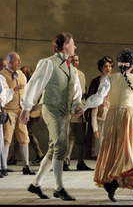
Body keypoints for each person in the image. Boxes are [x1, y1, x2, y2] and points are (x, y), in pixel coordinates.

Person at [80, 49, 133, 201]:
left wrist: (84, 107)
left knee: (115, 149)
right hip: (128, 115)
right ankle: (115, 182)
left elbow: (99, 98)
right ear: (132, 65)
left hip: (112, 115)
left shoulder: (109, 79)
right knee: (130, 151)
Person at [21, 33, 82, 201]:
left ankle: (35, 184)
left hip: (64, 110)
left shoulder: (72, 68)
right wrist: (26, 107)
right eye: (73, 44)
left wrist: (77, 106)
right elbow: (34, 83)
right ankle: (59, 188)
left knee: (54, 147)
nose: (75, 47)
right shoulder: (48, 62)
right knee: (61, 146)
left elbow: (76, 92)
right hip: (51, 108)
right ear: (65, 46)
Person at [0, 52, 35, 175]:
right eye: (16, 60)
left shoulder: (21, 74)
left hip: (20, 111)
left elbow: (26, 93)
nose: (19, 62)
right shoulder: (2, 75)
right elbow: (3, 94)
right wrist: (13, 90)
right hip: (8, 111)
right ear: (9, 62)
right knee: (6, 139)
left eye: (20, 60)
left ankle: (26, 165)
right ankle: (3, 166)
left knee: (24, 138)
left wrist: (26, 109)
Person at [8, 66, 44, 166]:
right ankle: (40, 155)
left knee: (23, 133)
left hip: (31, 112)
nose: (22, 74)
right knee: (28, 134)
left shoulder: (33, 83)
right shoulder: (22, 82)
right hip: (23, 110)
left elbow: (38, 98)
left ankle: (14, 157)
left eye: (24, 72)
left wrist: (37, 113)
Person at [64, 54, 92, 171]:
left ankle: (80, 161)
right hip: (67, 109)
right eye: (73, 60)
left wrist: (83, 107)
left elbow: (84, 93)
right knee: (67, 135)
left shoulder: (82, 75)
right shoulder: (64, 73)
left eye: (77, 60)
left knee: (80, 136)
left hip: (79, 109)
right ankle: (66, 160)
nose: (75, 62)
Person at [88, 56, 114, 153]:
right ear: (101, 68)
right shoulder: (96, 81)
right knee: (102, 142)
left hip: (112, 113)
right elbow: (91, 97)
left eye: (110, 66)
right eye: (105, 66)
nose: (108, 68)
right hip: (100, 113)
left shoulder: (114, 80)